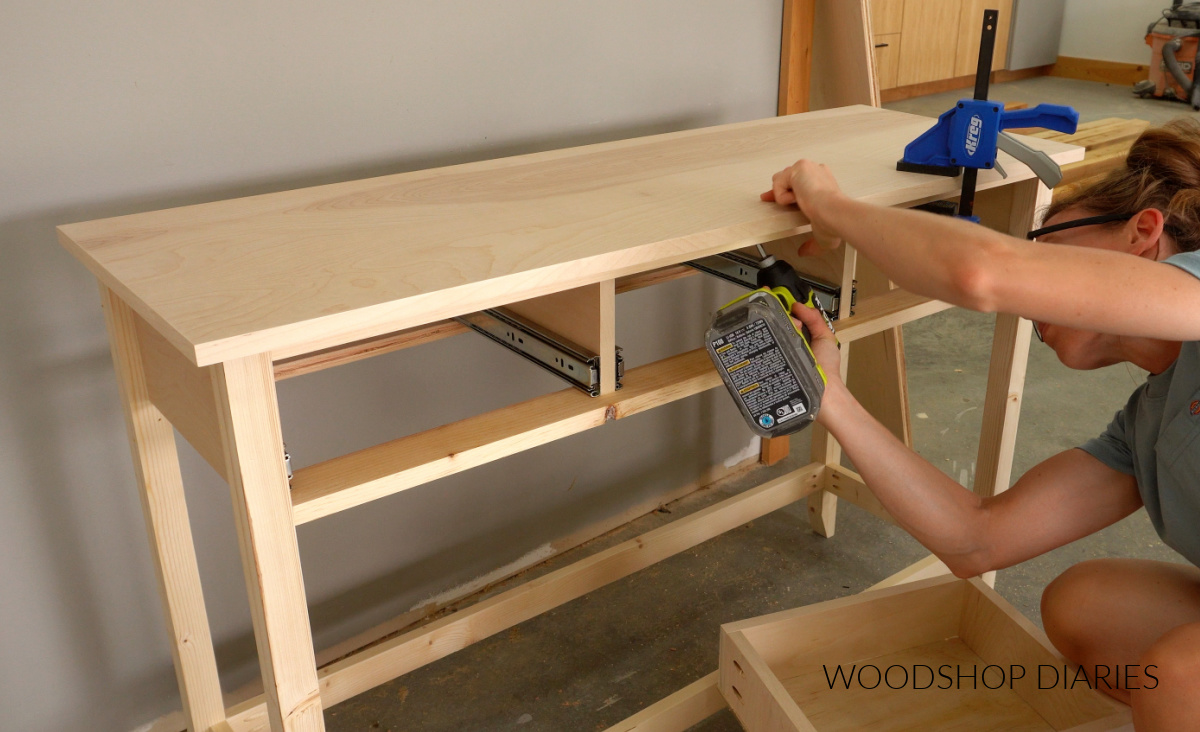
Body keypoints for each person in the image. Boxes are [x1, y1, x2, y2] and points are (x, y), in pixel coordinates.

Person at [763, 117, 1200, 731]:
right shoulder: (1147, 422)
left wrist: (829, 206)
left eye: (1043, 250)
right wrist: (828, 395)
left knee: (1183, 676)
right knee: (1087, 608)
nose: (1030, 302)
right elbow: (977, 540)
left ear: (1144, 233)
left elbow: (983, 273)